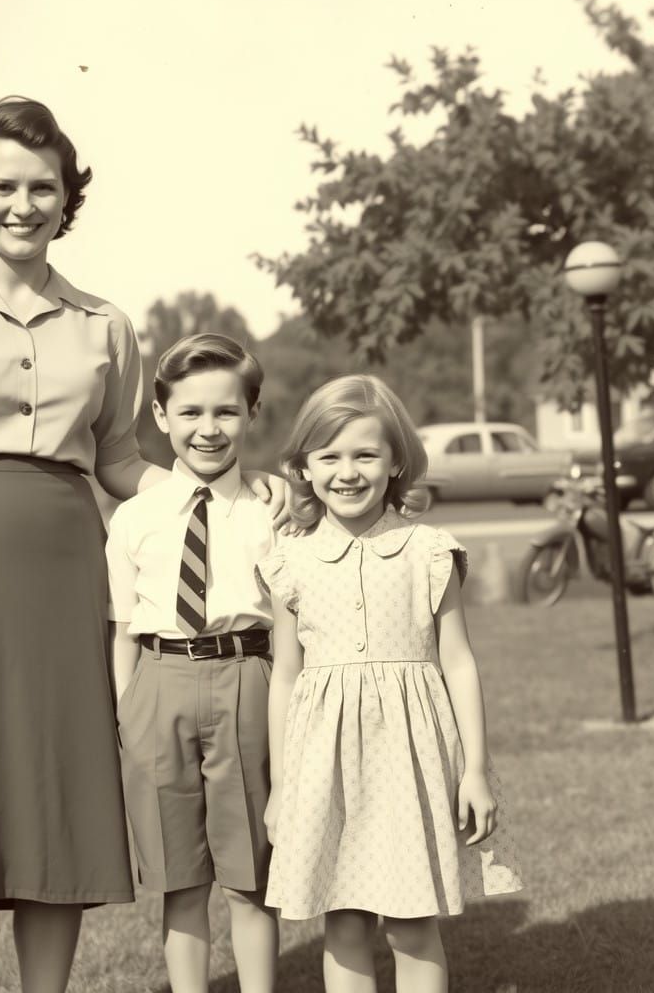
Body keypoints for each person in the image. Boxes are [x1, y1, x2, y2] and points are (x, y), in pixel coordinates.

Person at [0, 97, 283, 993]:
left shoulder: (106, 325)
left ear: (67, 197)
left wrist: (226, 496)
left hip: (65, 575)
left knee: (54, 794)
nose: (24, 205)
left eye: (42, 187)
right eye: (3, 186)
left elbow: (124, 460)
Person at [257, 375, 522, 993]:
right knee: (344, 922)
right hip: (325, 766)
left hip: (411, 761)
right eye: (329, 456)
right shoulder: (288, 562)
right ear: (303, 466)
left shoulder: (427, 552)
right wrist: (281, 785)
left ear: (396, 461)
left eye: (365, 455)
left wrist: (476, 769)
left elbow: (458, 661)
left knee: (410, 926)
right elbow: (286, 678)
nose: (347, 472)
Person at [106, 334, 280, 993]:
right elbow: (123, 627)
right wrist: (128, 711)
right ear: (160, 416)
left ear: (252, 414)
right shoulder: (134, 518)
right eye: (190, 413)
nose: (208, 430)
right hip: (158, 684)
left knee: (249, 877)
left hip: (247, 680)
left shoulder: (273, 512)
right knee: (179, 880)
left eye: (226, 412)